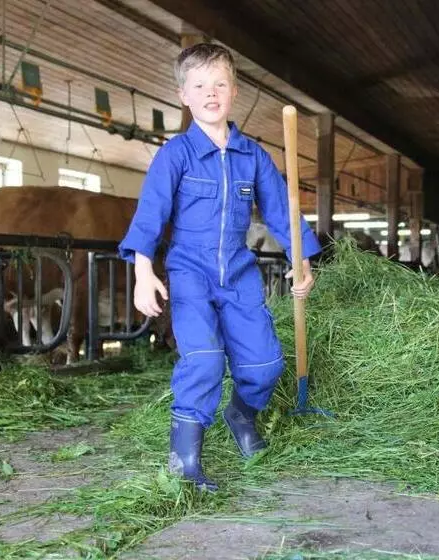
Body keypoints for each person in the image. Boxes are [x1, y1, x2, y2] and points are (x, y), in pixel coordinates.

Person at [118, 43, 322, 491]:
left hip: (239, 272)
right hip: (190, 272)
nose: (211, 94)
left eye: (220, 84)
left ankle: (241, 414)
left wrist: (301, 258)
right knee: (206, 361)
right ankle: (184, 461)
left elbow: (282, 212)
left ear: (235, 92)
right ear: (183, 96)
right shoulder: (176, 155)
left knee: (266, 366)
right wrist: (143, 272)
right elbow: (150, 214)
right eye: (199, 86)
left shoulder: (254, 157)